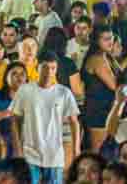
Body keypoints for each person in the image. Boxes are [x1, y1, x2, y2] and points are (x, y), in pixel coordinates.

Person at [10, 51, 81, 184]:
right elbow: (15, 120)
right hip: (29, 154)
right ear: (38, 67)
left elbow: (74, 122)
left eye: (53, 68)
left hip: (55, 155)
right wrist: (18, 149)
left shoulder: (64, 92)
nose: (49, 72)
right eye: (45, 67)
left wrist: (76, 149)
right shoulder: (25, 90)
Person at [82, 25, 121, 153]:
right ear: (97, 41)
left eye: (112, 38)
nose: (110, 42)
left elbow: (123, 76)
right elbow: (115, 85)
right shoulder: (96, 59)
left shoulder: (107, 57)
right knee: (98, 153)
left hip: (107, 110)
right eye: (106, 39)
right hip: (97, 112)